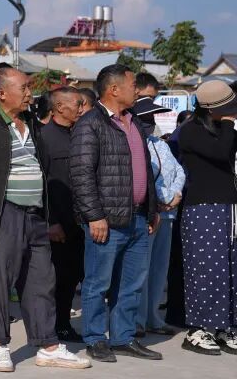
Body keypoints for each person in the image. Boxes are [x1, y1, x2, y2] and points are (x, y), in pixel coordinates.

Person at [0, 70, 91, 372]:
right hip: (4, 215)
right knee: (0, 281)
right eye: (24, 87)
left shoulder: (31, 124)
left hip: (36, 215)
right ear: (2, 93)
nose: (30, 93)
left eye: (30, 87)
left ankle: (48, 346)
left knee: (42, 280)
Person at [70, 64, 160, 363]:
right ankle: (95, 338)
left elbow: (145, 169)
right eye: (133, 85)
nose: (137, 90)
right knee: (98, 283)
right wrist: (94, 216)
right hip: (106, 221)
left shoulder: (134, 122)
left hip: (138, 217)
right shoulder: (91, 123)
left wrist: (151, 208)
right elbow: (81, 174)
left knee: (132, 283)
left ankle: (123, 337)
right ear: (114, 89)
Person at [178, 80, 237, 355]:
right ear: (212, 109)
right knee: (206, 269)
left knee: (230, 269)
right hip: (203, 208)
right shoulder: (191, 131)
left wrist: (227, 126)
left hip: (228, 206)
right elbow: (221, 153)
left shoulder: (223, 129)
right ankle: (198, 329)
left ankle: (225, 326)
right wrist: (229, 124)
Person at [133, 97, 185, 337]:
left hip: (168, 213)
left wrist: (175, 194)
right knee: (140, 270)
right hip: (149, 212)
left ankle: (153, 317)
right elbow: (142, 179)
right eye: (145, 118)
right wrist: (164, 198)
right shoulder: (132, 144)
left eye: (152, 117)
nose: (150, 122)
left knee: (159, 268)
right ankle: (137, 319)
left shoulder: (159, 143)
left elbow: (178, 171)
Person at [39, 86, 86, 342]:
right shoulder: (44, 138)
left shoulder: (80, 135)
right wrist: (51, 221)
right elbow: (41, 184)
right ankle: (52, 326)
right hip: (57, 223)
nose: (81, 109)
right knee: (56, 278)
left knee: (73, 276)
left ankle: (64, 323)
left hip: (80, 221)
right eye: (77, 104)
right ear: (59, 107)